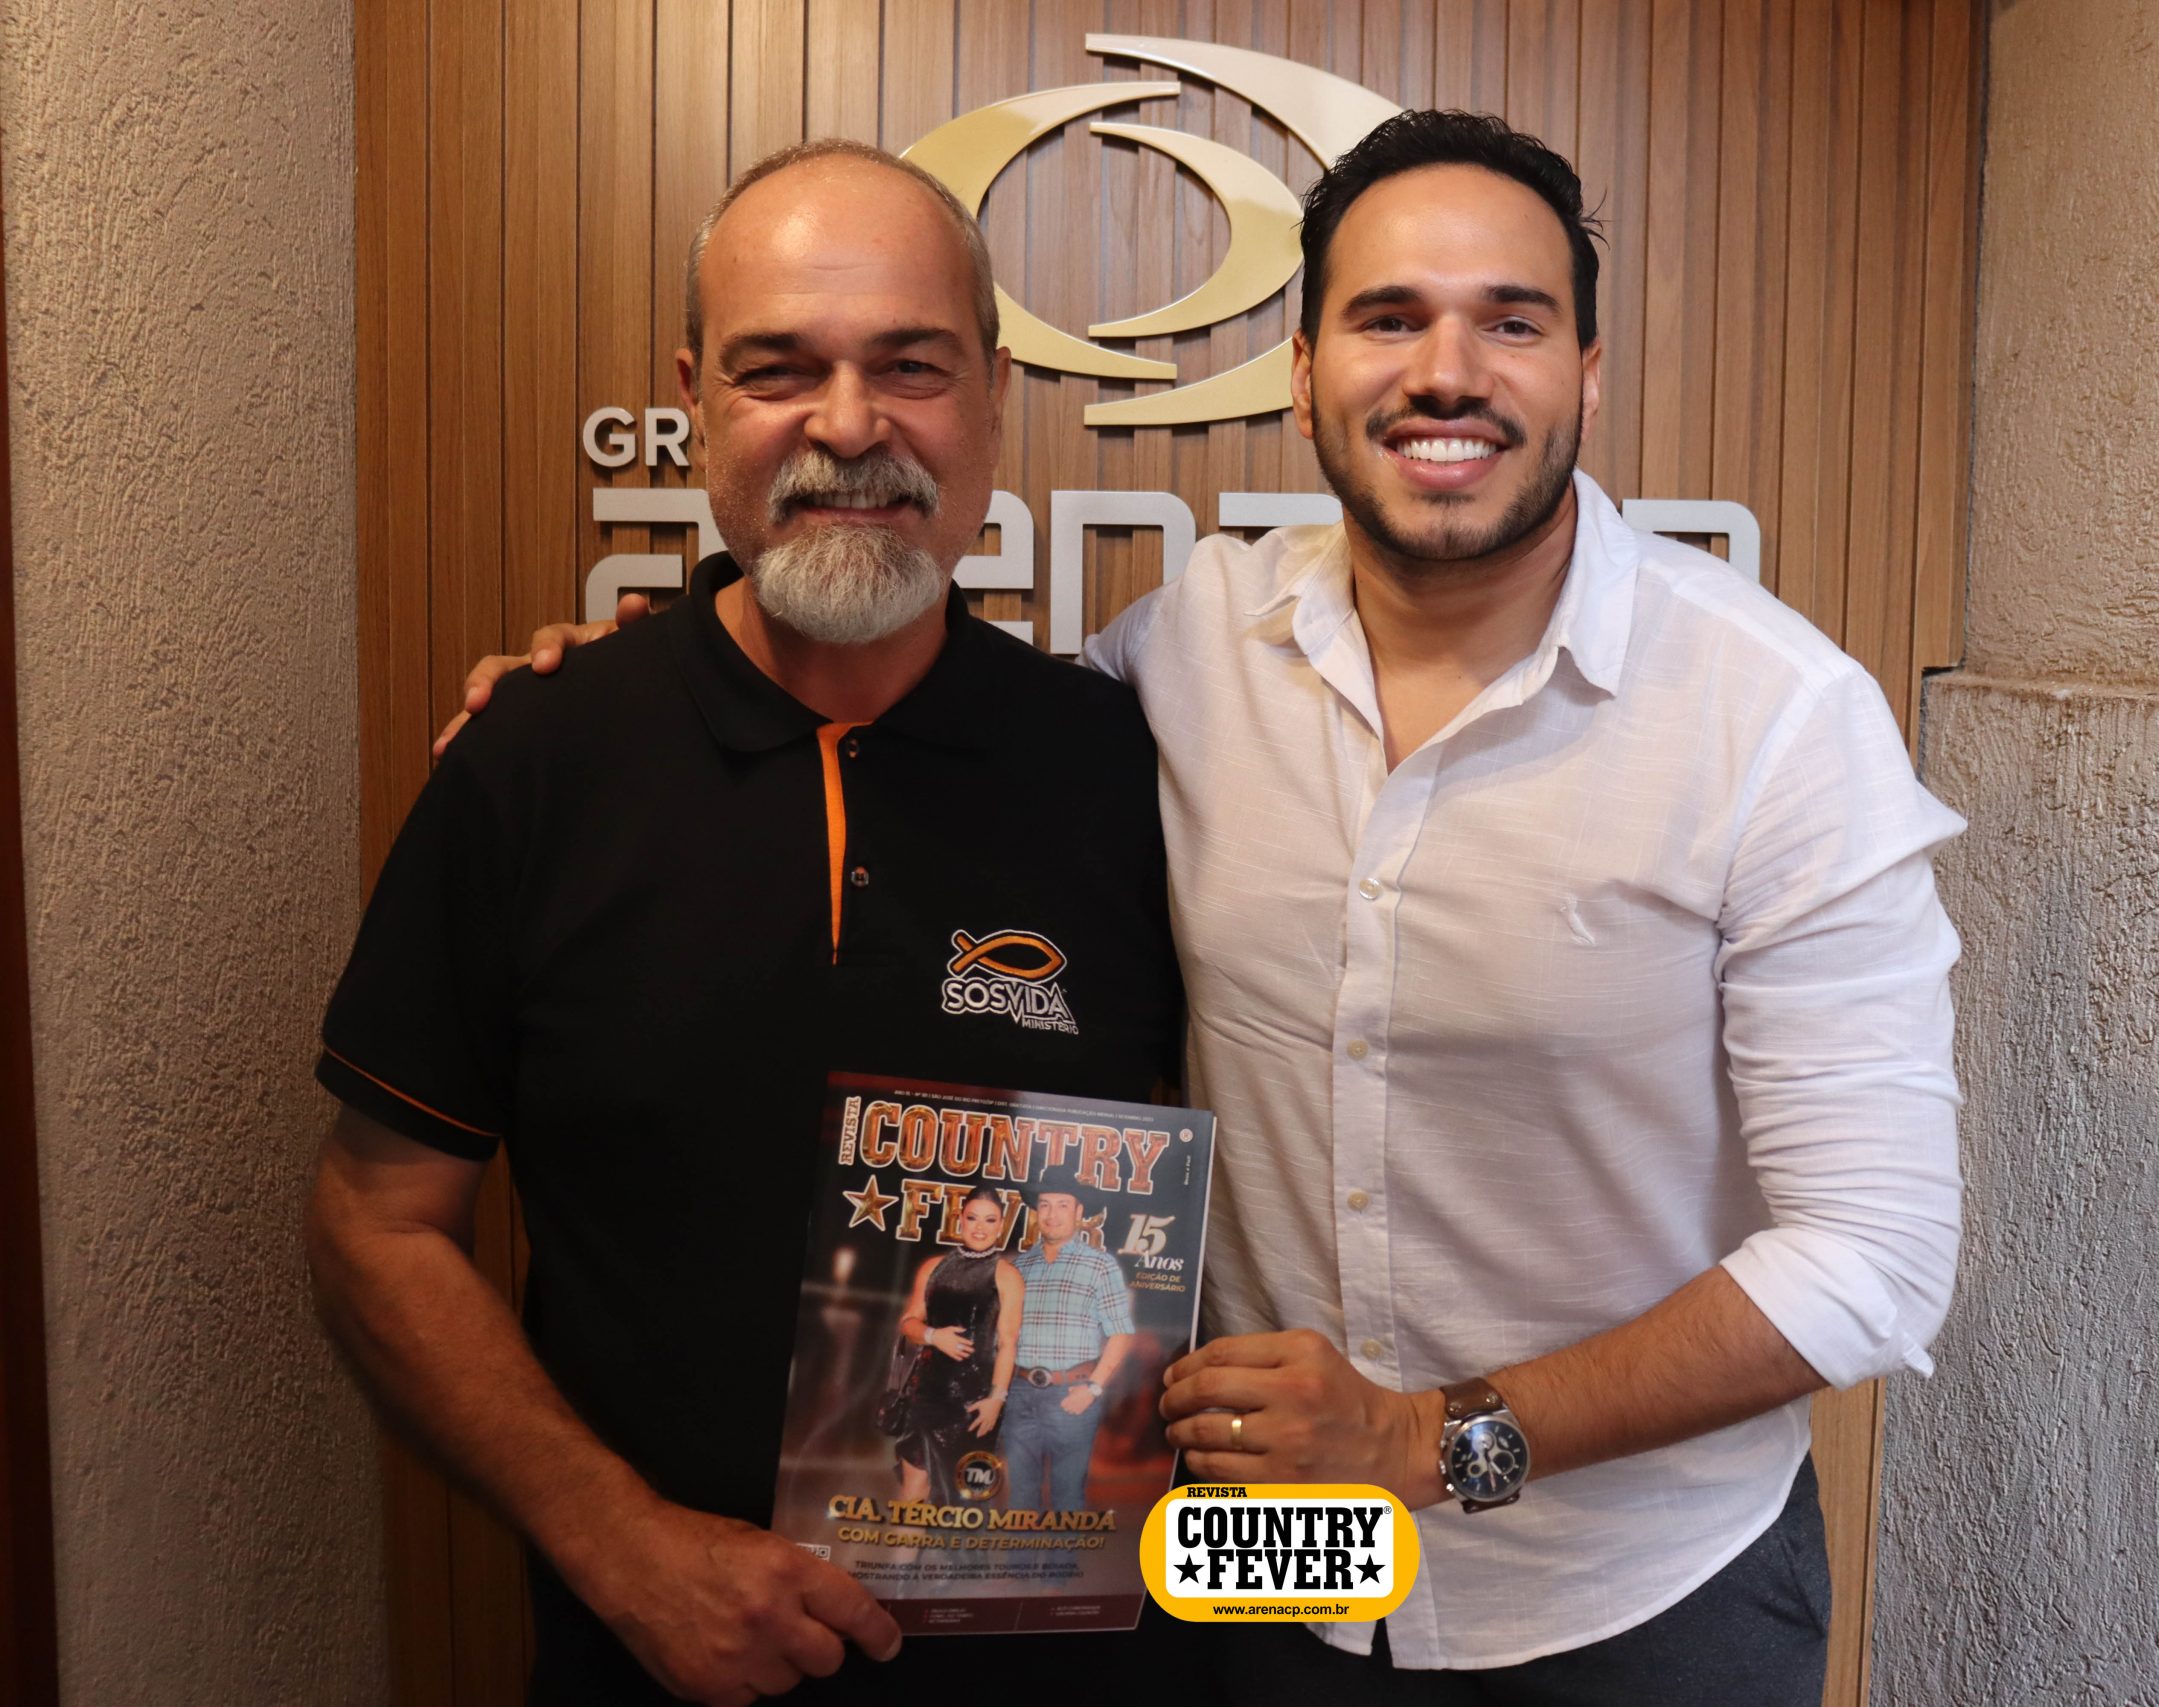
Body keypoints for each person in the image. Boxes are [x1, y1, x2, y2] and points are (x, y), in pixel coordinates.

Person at [460, 111, 1963, 1707]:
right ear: (1304, 373)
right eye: (1389, 318)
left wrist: (1428, 1437)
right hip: (1261, 1584)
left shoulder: (1776, 717)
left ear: (1588, 373)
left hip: (1631, 1593)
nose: (1446, 372)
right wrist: (622, 690)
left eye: (1511, 322)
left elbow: (1874, 1253)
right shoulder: (1186, 647)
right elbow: (910, 710)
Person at [306, 137, 1183, 1706]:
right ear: (694, 398)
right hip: (659, 1668)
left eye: (910, 363)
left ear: (992, 394)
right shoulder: (538, 760)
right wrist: (620, 1540)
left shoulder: (1135, 770)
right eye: (780, 368)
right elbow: (377, 1223)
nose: (849, 425)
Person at [1000, 1166, 1137, 1512]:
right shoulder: (1018, 1268)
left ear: (1078, 1212)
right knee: (1020, 1499)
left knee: (1067, 1498)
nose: (1052, 1214)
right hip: (1020, 1393)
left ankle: (1061, 1553)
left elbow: (1121, 1333)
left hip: (1072, 1393)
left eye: (1063, 1205)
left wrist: (1093, 1388)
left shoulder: (1100, 1266)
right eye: (1045, 1205)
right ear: (1036, 1211)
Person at [894, 1185, 1022, 1506]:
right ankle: (900, 1544)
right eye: (973, 1218)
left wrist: (996, 1399)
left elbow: (1008, 1343)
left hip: (975, 1403)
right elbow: (908, 1322)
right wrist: (933, 1336)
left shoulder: (1007, 1276)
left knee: (963, 1501)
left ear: (1001, 1226)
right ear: (960, 1219)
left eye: (990, 1220)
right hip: (928, 1395)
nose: (980, 1227)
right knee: (912, 1496)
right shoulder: (933, 1267)